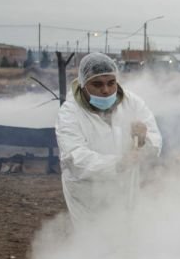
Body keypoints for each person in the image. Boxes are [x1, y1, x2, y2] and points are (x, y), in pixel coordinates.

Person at [55, 53, 162, 226]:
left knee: (127, 237)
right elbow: (74, 157)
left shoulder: (133, 103)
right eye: (97, 84)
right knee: (94, 242)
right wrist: (118, 164)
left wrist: (144, 143)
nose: (105, 90)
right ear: (83, 84)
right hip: (87, 197)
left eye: (111, 83)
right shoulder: (70, 113)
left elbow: (155, 140)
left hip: (126, 190)